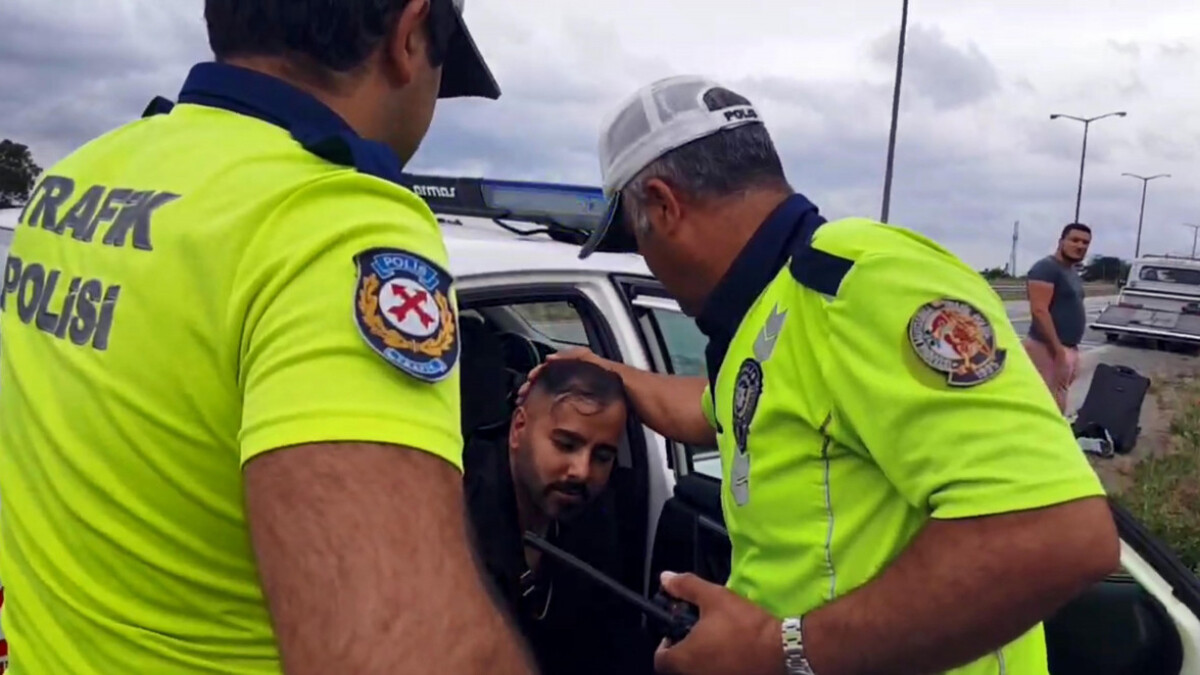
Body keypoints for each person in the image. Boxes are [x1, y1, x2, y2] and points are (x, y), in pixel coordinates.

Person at [0, 1, 536, 674]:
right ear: (409, 35)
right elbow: (397, 651)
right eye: (441, 69)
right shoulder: (329, 223)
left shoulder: (78, 177)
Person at [524, 75, 1119, 675]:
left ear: (663, 205)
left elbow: (1059, 535)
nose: (645, 260)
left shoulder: (856, 282)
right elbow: (719, 411)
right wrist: (604, 373)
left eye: (635, 240)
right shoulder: (774, 313)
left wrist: (770, 652)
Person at [464, 358, 655, 675]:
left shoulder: (594, 513)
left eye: (603, 456)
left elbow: (611, 638)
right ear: (518, 429)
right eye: (566, 445)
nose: (582, 471)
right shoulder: (459, 510)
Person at [1024, 223, 1093, 413]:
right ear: (1061, 241)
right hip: (1045, 347)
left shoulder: (1071, 271)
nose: (1080, 246)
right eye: (1074, 240)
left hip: (1066, 347)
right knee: (1047, 403)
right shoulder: (1046, 268)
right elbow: (1039, 310)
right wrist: (1058, 351)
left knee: (1059, 396)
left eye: (1085, 242)